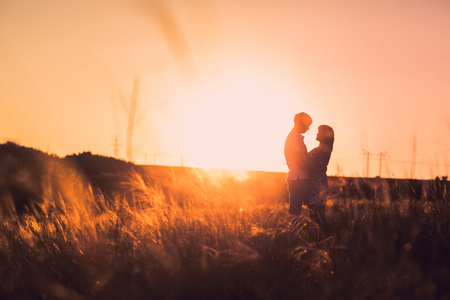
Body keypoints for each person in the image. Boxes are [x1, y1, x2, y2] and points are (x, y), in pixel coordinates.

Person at [305, 125, 334, 233]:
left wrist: (303, 164)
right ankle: (321, 238)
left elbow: (317, 165)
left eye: (319, 132)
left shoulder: (325, 150)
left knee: (319, 214)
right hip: (312, 184)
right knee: (314, 214)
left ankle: (329, 235)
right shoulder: (318, 149)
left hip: (318, 185)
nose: (317, 134)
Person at [284, 112, 313, 217]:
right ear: (301, 123)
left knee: (295, 210)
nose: (308, 129)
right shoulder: (295, 138)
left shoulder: (294, 137)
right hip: (298, 178)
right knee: (295, 211)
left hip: (297, 177)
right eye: (308, 125)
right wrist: (316, 168)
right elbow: (300, 162)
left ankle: (293, 232)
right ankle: (292, 233)